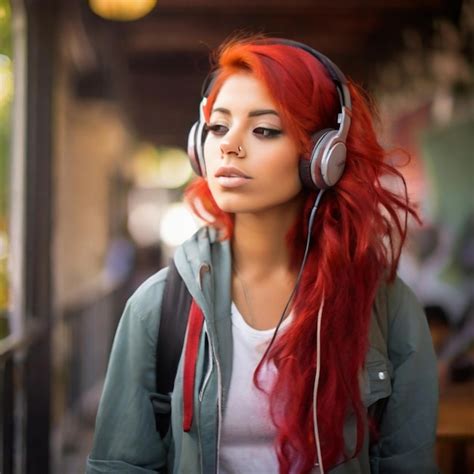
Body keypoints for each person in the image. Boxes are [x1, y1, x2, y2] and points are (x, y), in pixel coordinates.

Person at [86, 34, 439, 474]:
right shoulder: (157, 307)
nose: (230, 146)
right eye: (218, 126)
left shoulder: (387, 306)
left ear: (324, 156)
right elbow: (119, 466)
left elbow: (409, 465)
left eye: (264, 129)